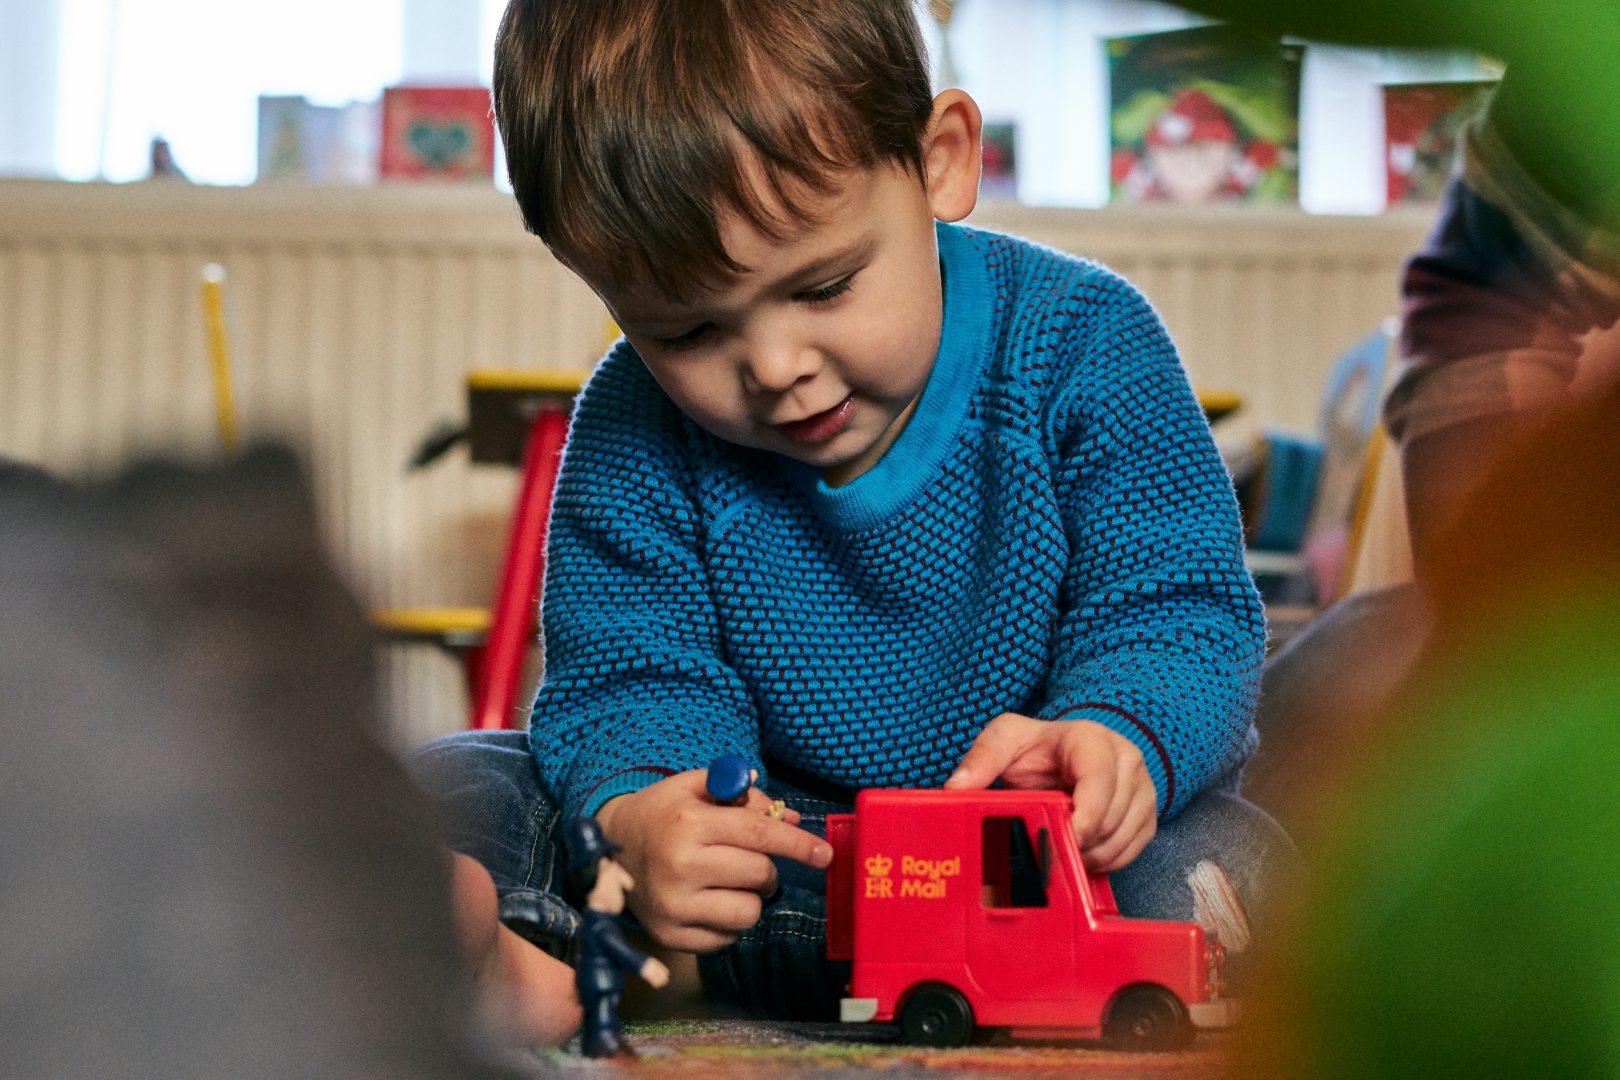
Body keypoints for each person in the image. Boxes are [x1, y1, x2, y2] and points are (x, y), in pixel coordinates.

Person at [416, 0, 1290, 1033]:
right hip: (789, 858)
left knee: (1217, 876)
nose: (777, 368)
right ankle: (626, 949)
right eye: (689, 328)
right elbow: (629, 672)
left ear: (941, 163)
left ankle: (625, 967)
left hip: (1017, 861)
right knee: (457, 783)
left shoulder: (1086, 345)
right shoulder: (630, 423)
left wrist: (1114, 736)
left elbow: (1177, 610)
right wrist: (655, 812)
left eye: (825, 285)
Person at [563, 817, 671, 1057]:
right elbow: (617, 948)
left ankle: (606, 1040)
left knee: (605, 1011)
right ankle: (602, 1043)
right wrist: (644, 964)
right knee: (602, 1013)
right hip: (599, 981)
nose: (625, 884)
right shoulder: (600, 926)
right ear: (598, 871)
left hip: (600, 980)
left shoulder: (597, 921)